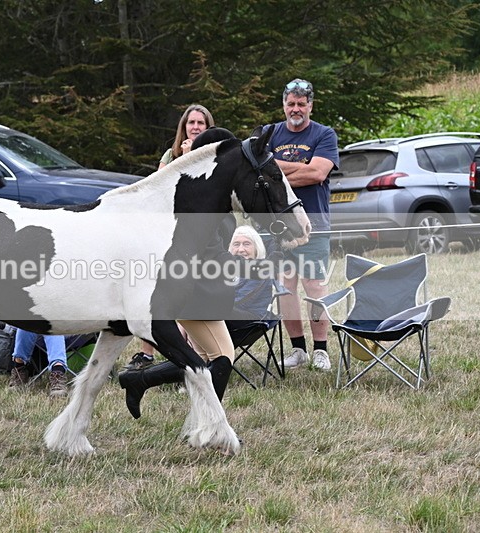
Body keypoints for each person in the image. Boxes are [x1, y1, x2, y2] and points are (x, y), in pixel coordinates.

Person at [119, 128, 247, 419]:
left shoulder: (212, 193)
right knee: (223, 356)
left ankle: (139, 379)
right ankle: (212, 425)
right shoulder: (197, 198)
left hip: (203, 287)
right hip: (195, 289)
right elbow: (206, 249)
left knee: (201, 358)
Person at [124, 104, 215, 371]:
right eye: (191, 123)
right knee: (155, 291)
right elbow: (161, 187)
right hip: (166, 230)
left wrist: (191, 156)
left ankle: (188, 354)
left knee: (186, 292)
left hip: (198, 233)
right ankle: (147, 353)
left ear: (208, 127)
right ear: (183, 127)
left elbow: (202, 192)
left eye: (200, 123)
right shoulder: (170, 154)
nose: (195, 127)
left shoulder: (214, 155)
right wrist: (182, 157)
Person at [268, 78, 339, 371]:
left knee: (314, 286)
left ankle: (321, 350)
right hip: (279, 226)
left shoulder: (324, 134)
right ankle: (298, 350)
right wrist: (304, 167)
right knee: (285, 286)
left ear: (310, 105)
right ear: (284, 105)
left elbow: (318, 174)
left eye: (301, 103)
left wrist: (277, 175)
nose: (295, 109)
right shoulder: (270, 133)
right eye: (291, 103)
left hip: (314, 222)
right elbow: (260, 171)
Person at [8, 328, 70, 398]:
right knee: (26, 323)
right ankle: (19, 370)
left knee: (52, 324)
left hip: (69, 330)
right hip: (37, 331)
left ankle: (58, 373)